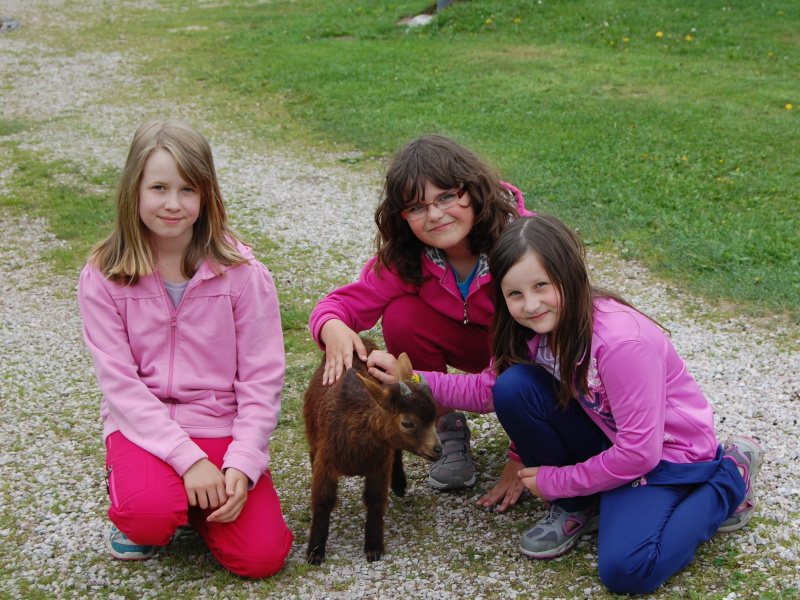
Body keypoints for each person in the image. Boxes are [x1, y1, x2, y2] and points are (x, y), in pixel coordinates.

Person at [367, 214, 763, 595]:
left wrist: (557, 480)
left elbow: (640, 453)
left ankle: (731, 475)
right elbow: (488, 390)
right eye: (515, 294)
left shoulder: (621, 344)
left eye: (541, 285)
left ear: (570, 275)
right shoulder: (528, 330)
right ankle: (579, 506)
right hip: (609, 436)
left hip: (667, 456)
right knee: (513, 386)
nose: (531, 304)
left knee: (628, 569)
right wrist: (410, 381)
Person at [78, 120, 293, 579]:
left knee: (262, 558)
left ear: (206, 195)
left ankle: (195, 504)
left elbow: (262, 379)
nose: (173, 204)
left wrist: (243, 461)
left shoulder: (244, 274)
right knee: (147, 516)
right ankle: (160, 500)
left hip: (220, 424)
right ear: (133, 190)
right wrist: (189, 460)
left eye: (188, 189)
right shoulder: (104, 274)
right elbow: (120, 384)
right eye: (158, 187)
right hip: (143, 428)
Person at [308, 134, 533, 492]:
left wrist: (522, 457)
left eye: (446, 196)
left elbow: (549, 352)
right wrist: (332, 326)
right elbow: (342, 303)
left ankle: (536, 436)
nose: (435, 215)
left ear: (473, 190)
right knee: (402, 315)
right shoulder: (407, 256)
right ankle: (444, 426)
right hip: (476, 344)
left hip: (530, 353)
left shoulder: (523, 243)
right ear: (402, 216)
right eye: (416, 207)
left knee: (522, 378)